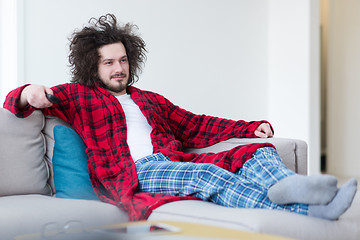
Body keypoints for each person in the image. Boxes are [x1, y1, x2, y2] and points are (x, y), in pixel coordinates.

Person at [4, 14, 357, 221]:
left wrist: (250, 128)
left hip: (170, 161)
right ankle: (307, 211)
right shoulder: (79, 96)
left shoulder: (150, 100)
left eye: (123, 60)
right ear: (93, 66)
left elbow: (197, 124)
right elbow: (16, 102)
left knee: (254, 151)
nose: (118, 68)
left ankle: (283, 182)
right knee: (205, 173)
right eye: (109, 62)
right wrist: (28, 93)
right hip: (132, 173)